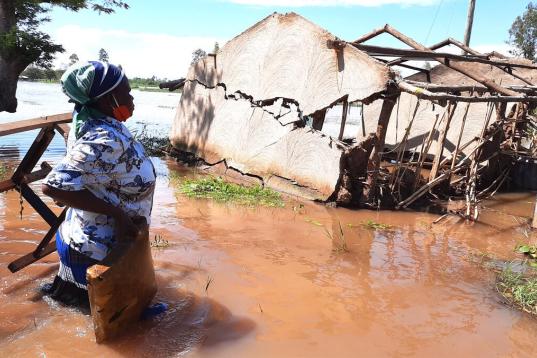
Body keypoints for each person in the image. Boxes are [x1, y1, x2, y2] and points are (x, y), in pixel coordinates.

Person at [41, 61, 156, 307]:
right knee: (96, 321)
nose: (132, 97)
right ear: (108, 99)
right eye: (127, 91)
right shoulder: (103, 138)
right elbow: (53, 186)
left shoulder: (92, 121)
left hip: (93, 241)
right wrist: (118, 215)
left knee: (69, 304)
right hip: (95, 252)